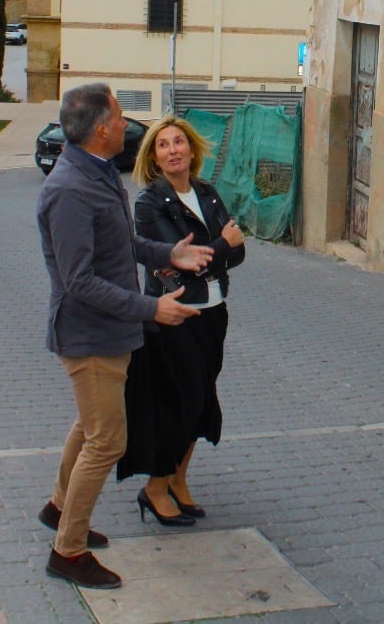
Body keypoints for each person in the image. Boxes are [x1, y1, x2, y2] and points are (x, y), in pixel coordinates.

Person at [35, 83, 213, 591]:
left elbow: (119, 243)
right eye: (119, 115)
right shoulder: (69, 190)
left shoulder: (97, 173)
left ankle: (58, 508)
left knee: (88, 426)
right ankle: (67, 551)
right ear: (101, 130)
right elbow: (79, 281)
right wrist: (151, 307)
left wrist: (167, 255)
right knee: (107, 440)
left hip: (109, 332)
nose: (126, 123)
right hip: (89, 336)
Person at [117, 116, 246, 525]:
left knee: (202, 401)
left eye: (178, 142)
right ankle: (155, 487)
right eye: (163, 145)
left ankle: (178, 480)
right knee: (180, 403)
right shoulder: (150, 203)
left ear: (192, 150)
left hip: (213, 313)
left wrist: (218, 251)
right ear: (153, 157)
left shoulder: (206, 193)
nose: (172, 150)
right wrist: (221, 246)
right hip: (173, 315)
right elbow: (181, 263)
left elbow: (234, 254)